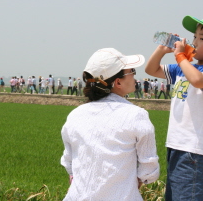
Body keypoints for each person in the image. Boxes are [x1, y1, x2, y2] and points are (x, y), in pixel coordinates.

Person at [145, 13, 203, 200]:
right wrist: (162, 50)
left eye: (202, 39)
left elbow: (197, 80)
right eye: (194, 37)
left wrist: (180, 56)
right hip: (175, 146)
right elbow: (151, 70)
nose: (194, 42)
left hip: (194, 150)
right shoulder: (181, 69)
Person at [61, 48, 160, 200]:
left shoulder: (75, 115)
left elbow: (69, 163)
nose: (134, 75)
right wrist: (138, 180)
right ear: (118, 82)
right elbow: (149, 170)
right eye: (131, 71)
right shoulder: (136, 115)